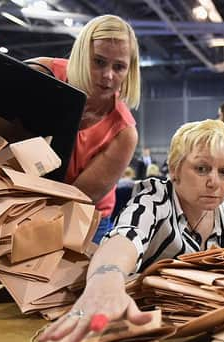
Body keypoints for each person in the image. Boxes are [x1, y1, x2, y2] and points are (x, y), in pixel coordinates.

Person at [39, 119, 224, 342]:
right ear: (175, 169)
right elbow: (125, 237)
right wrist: (106, 282)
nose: (214, 182)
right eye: (201, 168)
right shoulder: (153, 200)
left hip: (200, 331)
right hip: (147, 329)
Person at [28, 15, 141, 243]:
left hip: (83, 216)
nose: (108, 75)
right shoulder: (42, 74)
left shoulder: (124, 133)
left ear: (129, 71)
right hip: (25, 199)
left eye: (119, 67)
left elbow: (76, 199)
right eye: (98, 62)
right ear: (81, 54)